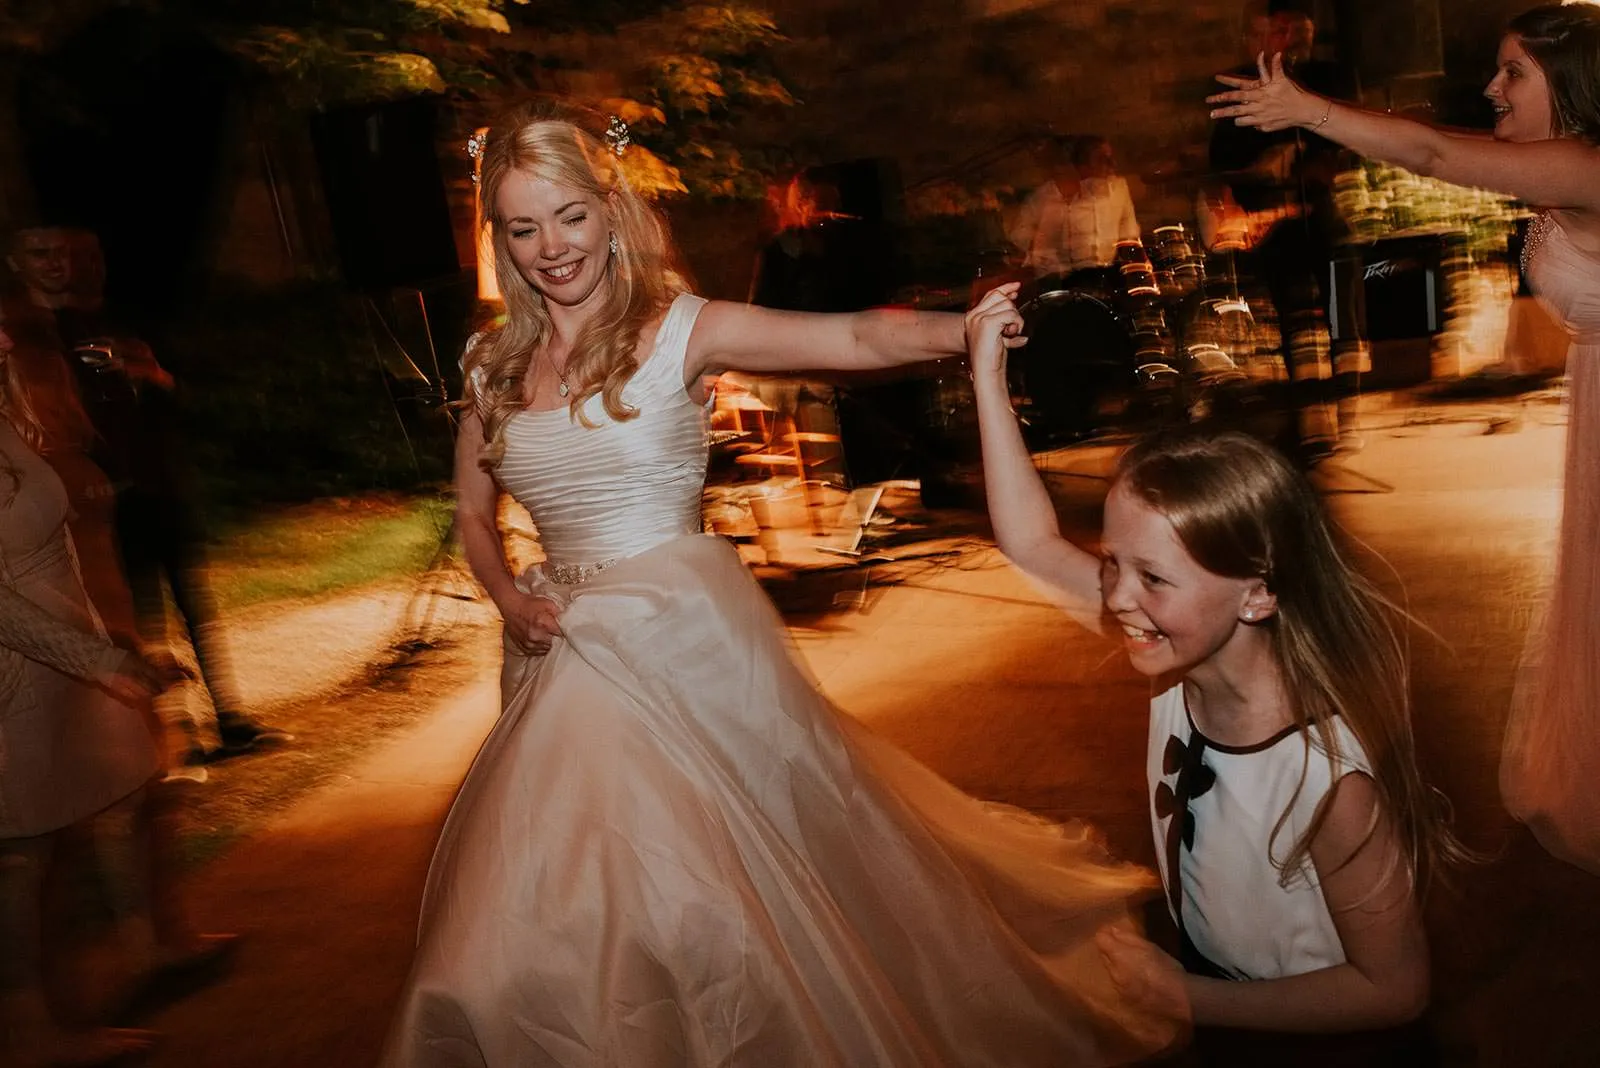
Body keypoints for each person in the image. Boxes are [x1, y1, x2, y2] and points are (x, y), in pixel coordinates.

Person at [380, 105, 1175, 1067]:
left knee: (717, 894)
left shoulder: (682, 329)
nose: (553, 247)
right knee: (558, 913)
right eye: (524, 226)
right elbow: (472, 513)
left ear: (609, 211)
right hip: (553, 647)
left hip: (678, 643)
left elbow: (846, 339)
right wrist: (509, 598)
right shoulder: (491, 363)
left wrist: (961, 330)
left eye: (570, 216)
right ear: (500, 240)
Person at [966, 283, 1466, 1063]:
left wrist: (1187, 996)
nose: (1119, 599)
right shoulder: (1176, 656)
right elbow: (1031, 541)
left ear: (1258, 593)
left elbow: (1396, 989)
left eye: (1155, 579)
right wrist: (986, 380)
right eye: (1111, 564)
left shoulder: (1329, 783)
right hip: (1218, 1009)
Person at [1207, 2, 1600, 877]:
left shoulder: (1585, 165)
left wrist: (1309, 110)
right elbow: (1443, 142)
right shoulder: (1556, 168)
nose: (1492, 86)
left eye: (1515, 73)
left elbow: (1432, 152)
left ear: (1570, 86)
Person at [6, 224, 288, 764]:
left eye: (65, 253)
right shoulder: (23, 336)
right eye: (40, 254)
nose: (56, 263)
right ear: (16, 264)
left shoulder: (107, 320)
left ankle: (229, 718)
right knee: (135, 620)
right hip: (91, 506)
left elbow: (172, 395)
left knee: (194, 607)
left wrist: (147, 374)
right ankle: (172, 737)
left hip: (153, 486)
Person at [0, 303, 175, 1067]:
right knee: (21, 850)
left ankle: (147, 952)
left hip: (67, 651)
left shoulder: (8, 414)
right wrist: (102, 661)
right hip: (19, 669)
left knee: (119, 792)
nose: (6, 338)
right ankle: (26, 1030)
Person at [1207, 2, 1369, 462]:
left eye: (1299, 32)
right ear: (1255, 37)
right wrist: (1255, 171)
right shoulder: (1236, 83)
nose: (1291, 38)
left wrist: (1303, 157)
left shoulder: (1328, 79)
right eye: (1278, 31)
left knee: (1344, 318)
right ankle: (1309, 423)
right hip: (1273, 223)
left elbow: (1346, 140)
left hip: (1319, 214)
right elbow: (1221, 158)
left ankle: (1347, 415)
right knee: (1294, 325)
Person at [1008, 134, 1141, 279]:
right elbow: (1019, 236)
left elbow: (1129, 233)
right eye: (1101, 159)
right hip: (1061, 280)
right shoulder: (1046, 196)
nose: (1111, 165)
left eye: (1110, 158)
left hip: (1107, 275)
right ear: (1081, 167)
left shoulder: (1118, 189)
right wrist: (1046, 254)